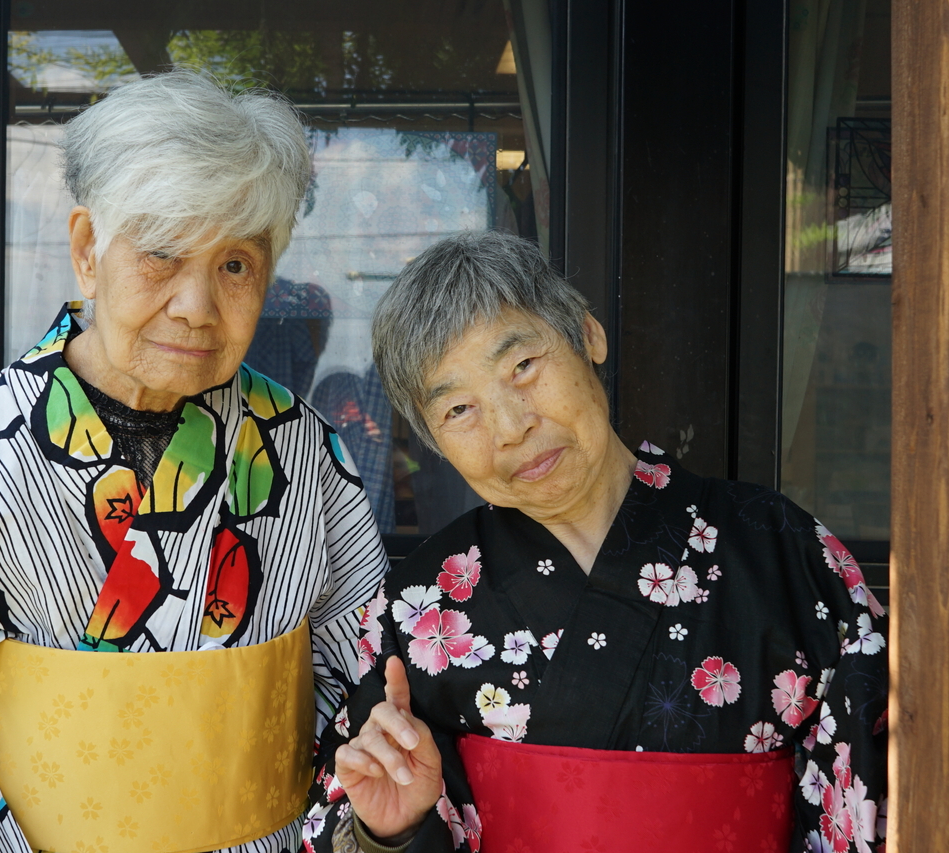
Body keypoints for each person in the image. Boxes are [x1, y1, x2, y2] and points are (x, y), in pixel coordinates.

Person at [0, 70, 388, 853]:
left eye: (235, 265)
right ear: (86, 250)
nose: (196, 306)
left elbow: (370, 705)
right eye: (162, 254)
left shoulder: (304, 454)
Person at [300, 231, 887, 853]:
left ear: (588, 336)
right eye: (459, 410)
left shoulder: (781, 551)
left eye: (523, 367)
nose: (511, 425)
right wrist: (388, 832)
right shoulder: (418, 607)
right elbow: (344, 810)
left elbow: (871, 792)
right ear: (433, 442)